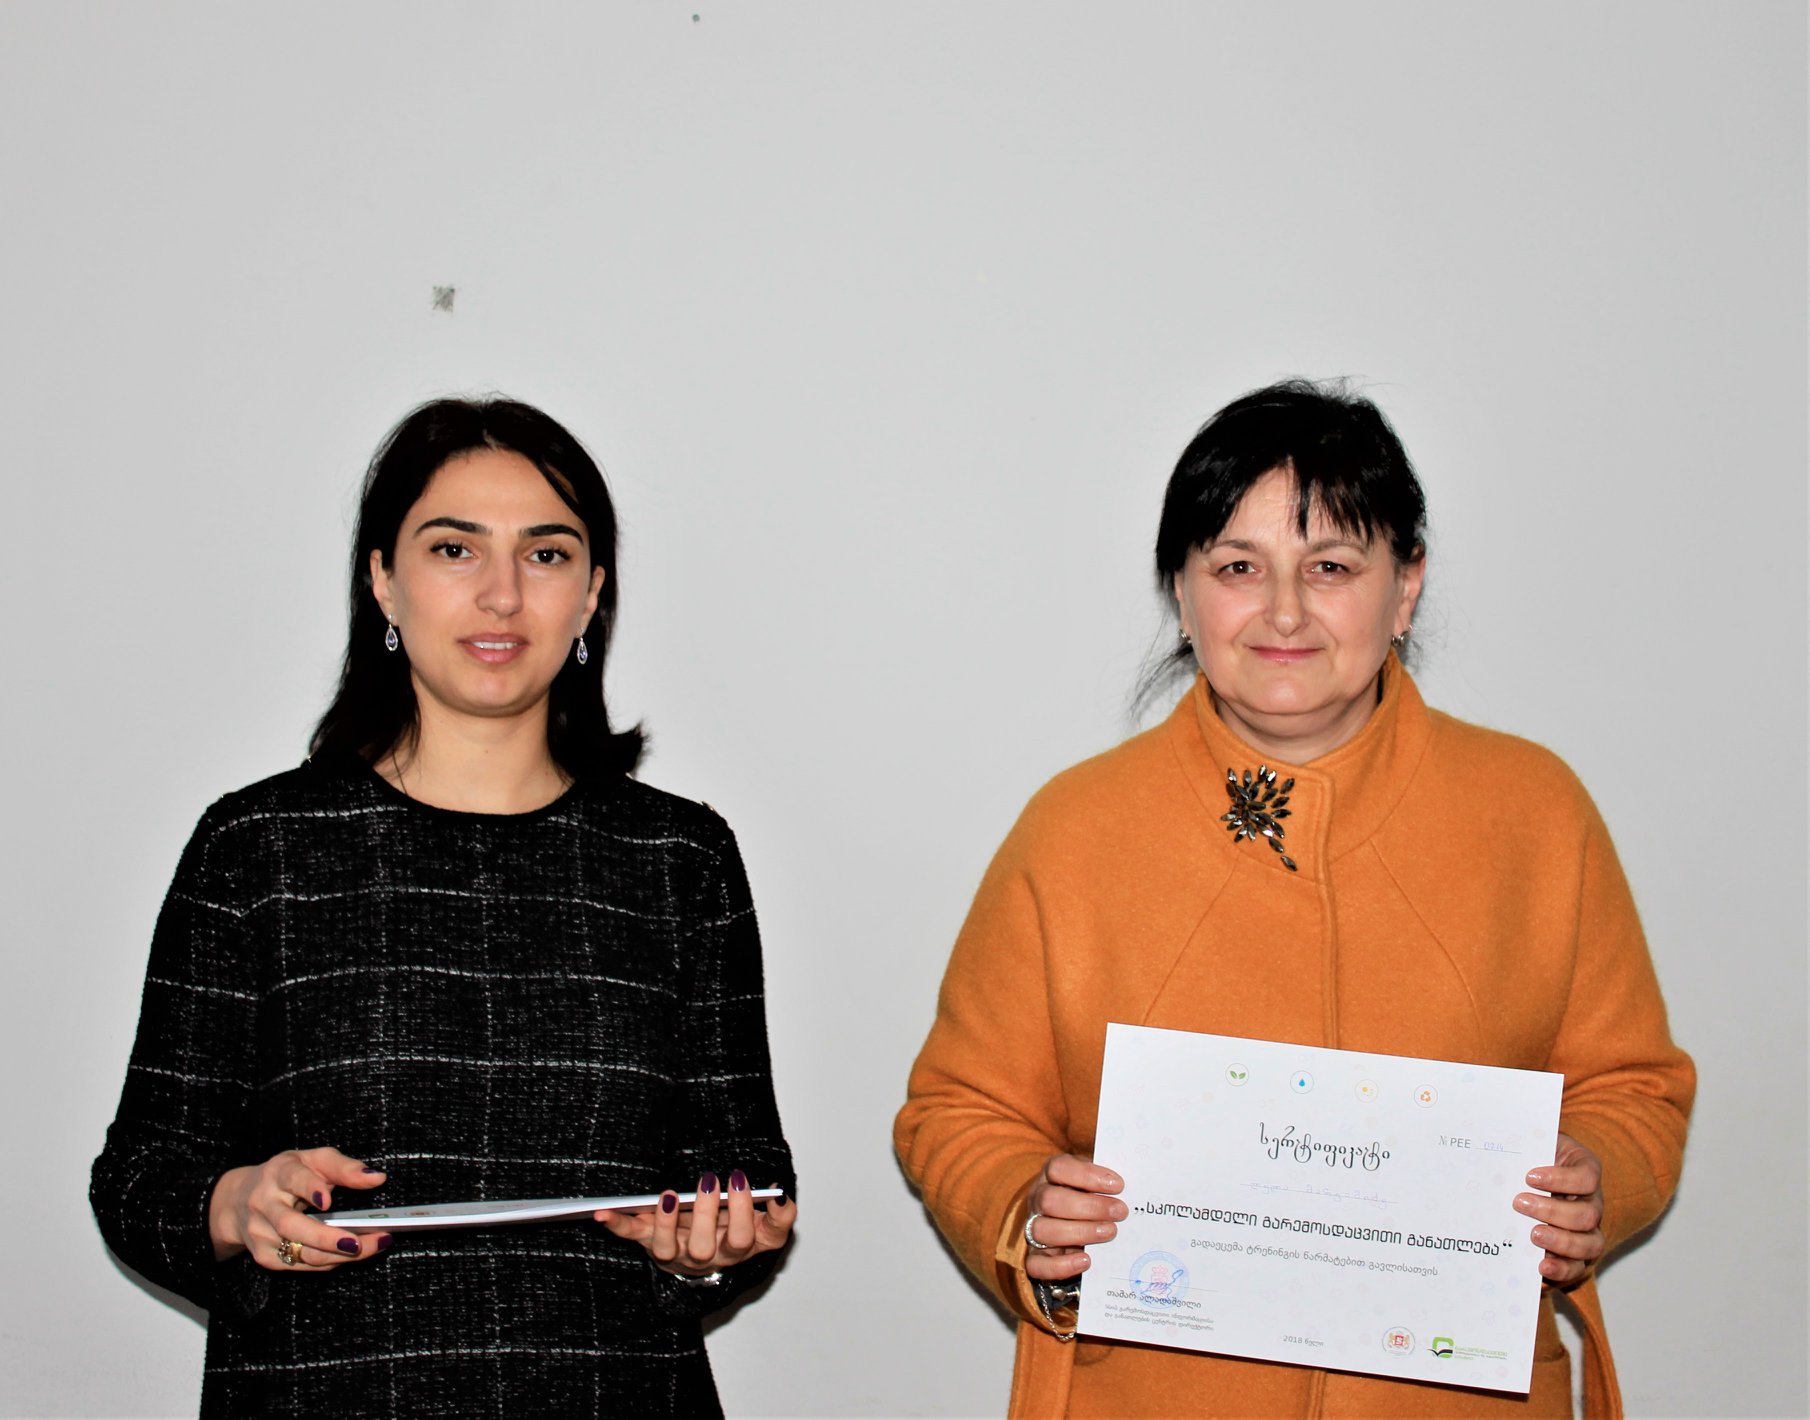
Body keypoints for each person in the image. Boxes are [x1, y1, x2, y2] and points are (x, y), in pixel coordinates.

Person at [894, 380, 1693, 1419]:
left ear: (1405, 588)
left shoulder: (1533, 811)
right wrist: (1026, 1210)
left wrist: (1598, 1176)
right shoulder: (1075, 828)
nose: (1283, 611)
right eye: (1237, 567)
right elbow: (960, 1108)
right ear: (1182, 593)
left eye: (1331, 567)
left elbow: (1633, 1086)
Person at [91, 398, 796, 1417]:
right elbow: (139, 1178)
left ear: (592, 594)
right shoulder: (256, 848)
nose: (502, 594)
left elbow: (747, 1168)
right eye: (455, 548)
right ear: (384, 578)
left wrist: (710, 1246)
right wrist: (233, 1203)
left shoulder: (681, 859)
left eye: (546, 555)